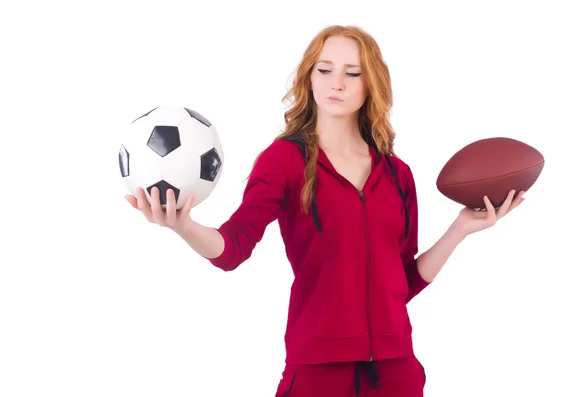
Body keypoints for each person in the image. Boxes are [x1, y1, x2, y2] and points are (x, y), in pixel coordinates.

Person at [125, 25, 525, 397]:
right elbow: (232, 249)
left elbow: (402, 284)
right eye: (325, 69)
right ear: (309, 77)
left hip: (397, 371)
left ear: (371, 85)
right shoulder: (282, 160)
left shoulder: (397, 173)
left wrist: (459, 230)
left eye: (353, 73)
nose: (337, 83)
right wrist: (183, 225)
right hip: (317, 370)